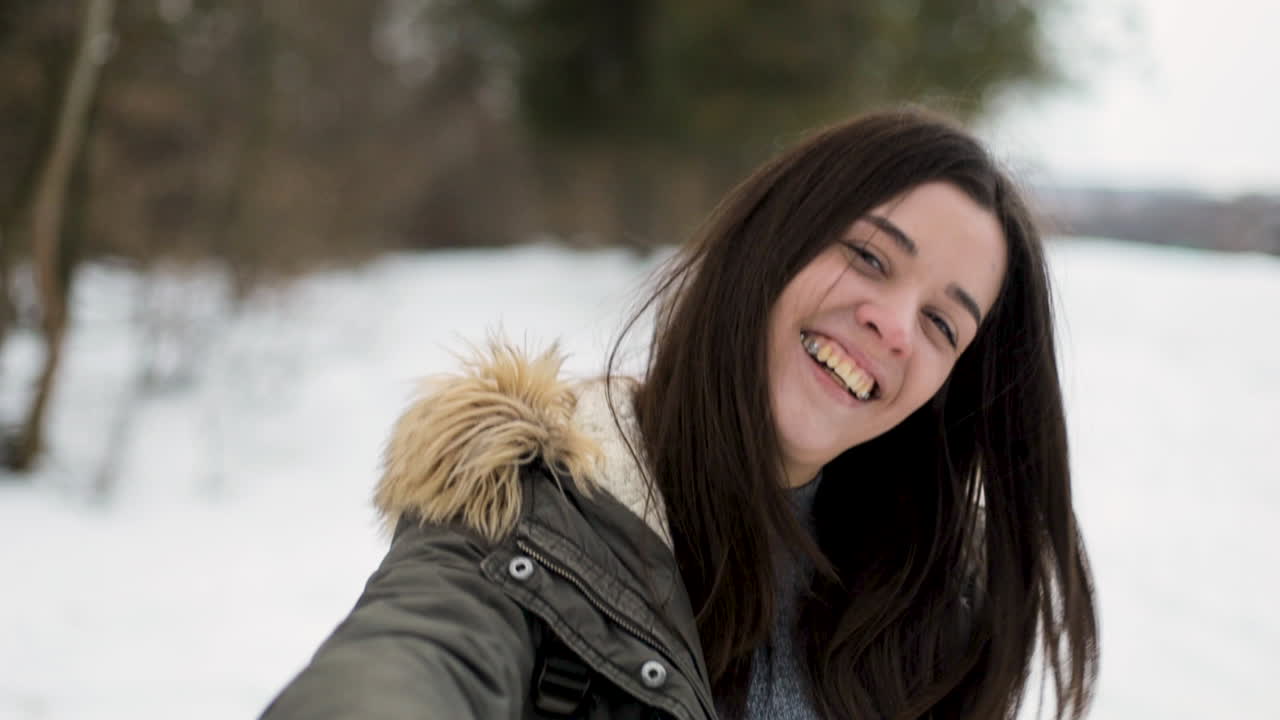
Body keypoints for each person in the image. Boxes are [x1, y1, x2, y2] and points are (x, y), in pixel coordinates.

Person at [260, 107, 1099, 720]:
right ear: (774, 240)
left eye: (942, 324)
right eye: (869, 256)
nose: (892, 323)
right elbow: (411, 661)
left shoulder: (932, 619)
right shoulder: (527, 514)